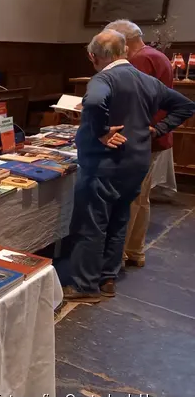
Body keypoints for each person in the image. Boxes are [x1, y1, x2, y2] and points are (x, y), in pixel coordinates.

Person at [59, 29, 195, 303]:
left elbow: (96, 102)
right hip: (136, 161)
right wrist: (156, 130)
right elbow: (185, 105)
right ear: (124, 51)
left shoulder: (103, 78)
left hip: (103, 164)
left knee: (92, 223)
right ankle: (108, 278)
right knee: (119, 219)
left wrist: (100, 132)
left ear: (92, 56)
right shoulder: (146, 80)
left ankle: (85, 286)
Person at [104, 20, 174, 268]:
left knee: (128, 198)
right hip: (152, 137)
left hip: (137, 139)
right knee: (141, 197)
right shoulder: (158, 56)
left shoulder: (139, 61)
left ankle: (118, 254)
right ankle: (135, 250)